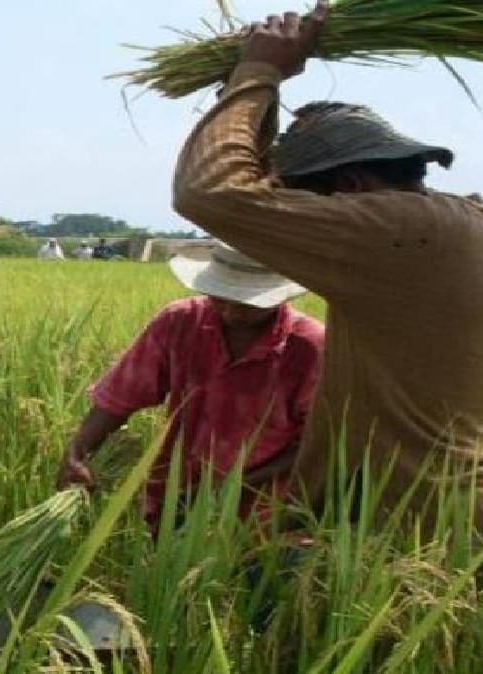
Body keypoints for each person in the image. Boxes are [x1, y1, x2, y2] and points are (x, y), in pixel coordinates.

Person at [172, 0, 483, 531]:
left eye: (303, 199)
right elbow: (252, 195)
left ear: (353, 189)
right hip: (419, 508)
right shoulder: (447, 227)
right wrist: (251, 89)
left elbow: (210, 192)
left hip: (402, 523)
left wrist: (260, 69)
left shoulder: (391, 231)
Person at [57, 243, 324, 529]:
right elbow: (119, 396)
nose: (231, 311)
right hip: (172, 499)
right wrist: (78, 450)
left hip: (264, 515)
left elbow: (320, 444)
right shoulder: (179, 322)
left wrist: (227, 491)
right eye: (221, 297)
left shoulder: (311, 347)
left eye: (248, 302)